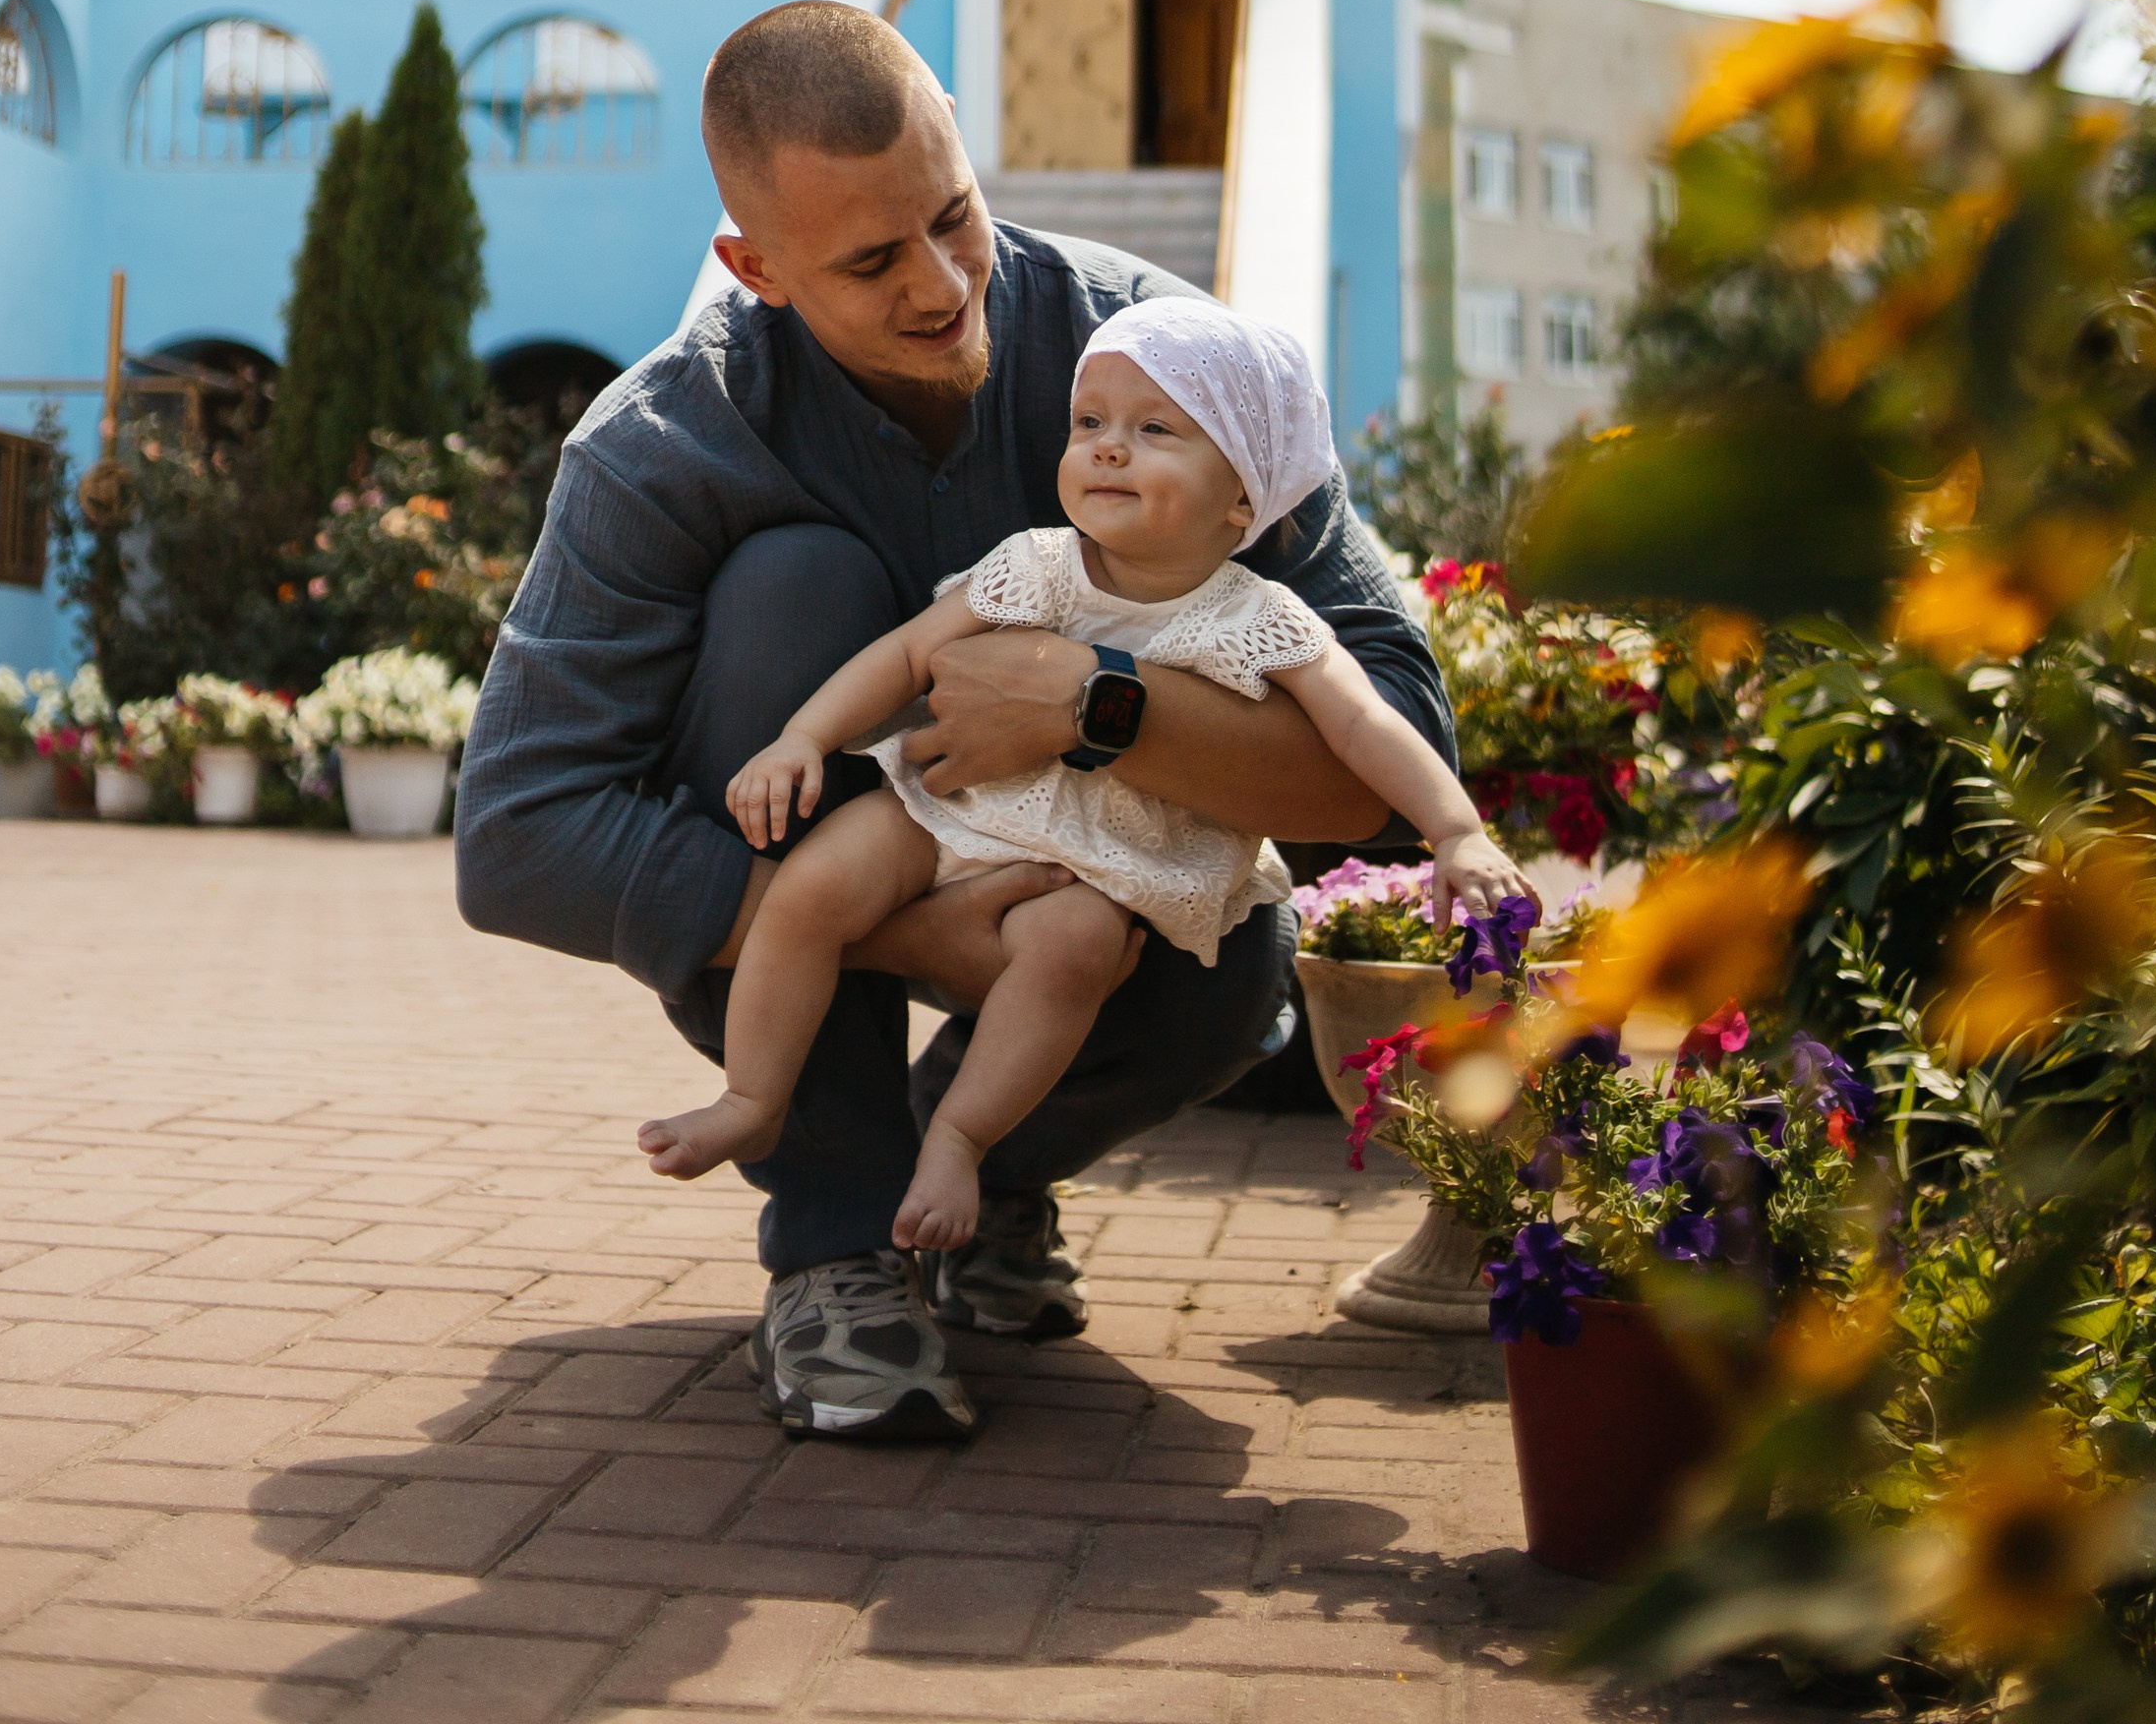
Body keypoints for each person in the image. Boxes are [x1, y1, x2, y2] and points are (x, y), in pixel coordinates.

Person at [454, 0, 1459, 1446]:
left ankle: (975, 1175)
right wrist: (886, 917)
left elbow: (1397, 729)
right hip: (843, 867)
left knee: (1241, 976)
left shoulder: (1162, 361)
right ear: (756, 268)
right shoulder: (664, 443)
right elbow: (518, 840)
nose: (941, 286)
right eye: (871, 262)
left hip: (1099, 894)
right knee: (793, 589)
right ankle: (841, 1247)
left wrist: (1094, 708)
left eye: (955, 217)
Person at [636, 293, 1529, 1254]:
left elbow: (1366, 728)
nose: (1107, 447)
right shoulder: (1042, 566)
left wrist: (1456, 830)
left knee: (1068, 955)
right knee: (814, 883)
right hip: (959, 808)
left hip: (1104, 866)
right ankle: (755, 1095)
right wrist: (802, 739)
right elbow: (906, 655)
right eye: (1090, 423)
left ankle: (960, 1137)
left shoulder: (1262, 619)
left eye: (1155, 429)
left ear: (1244, 494)